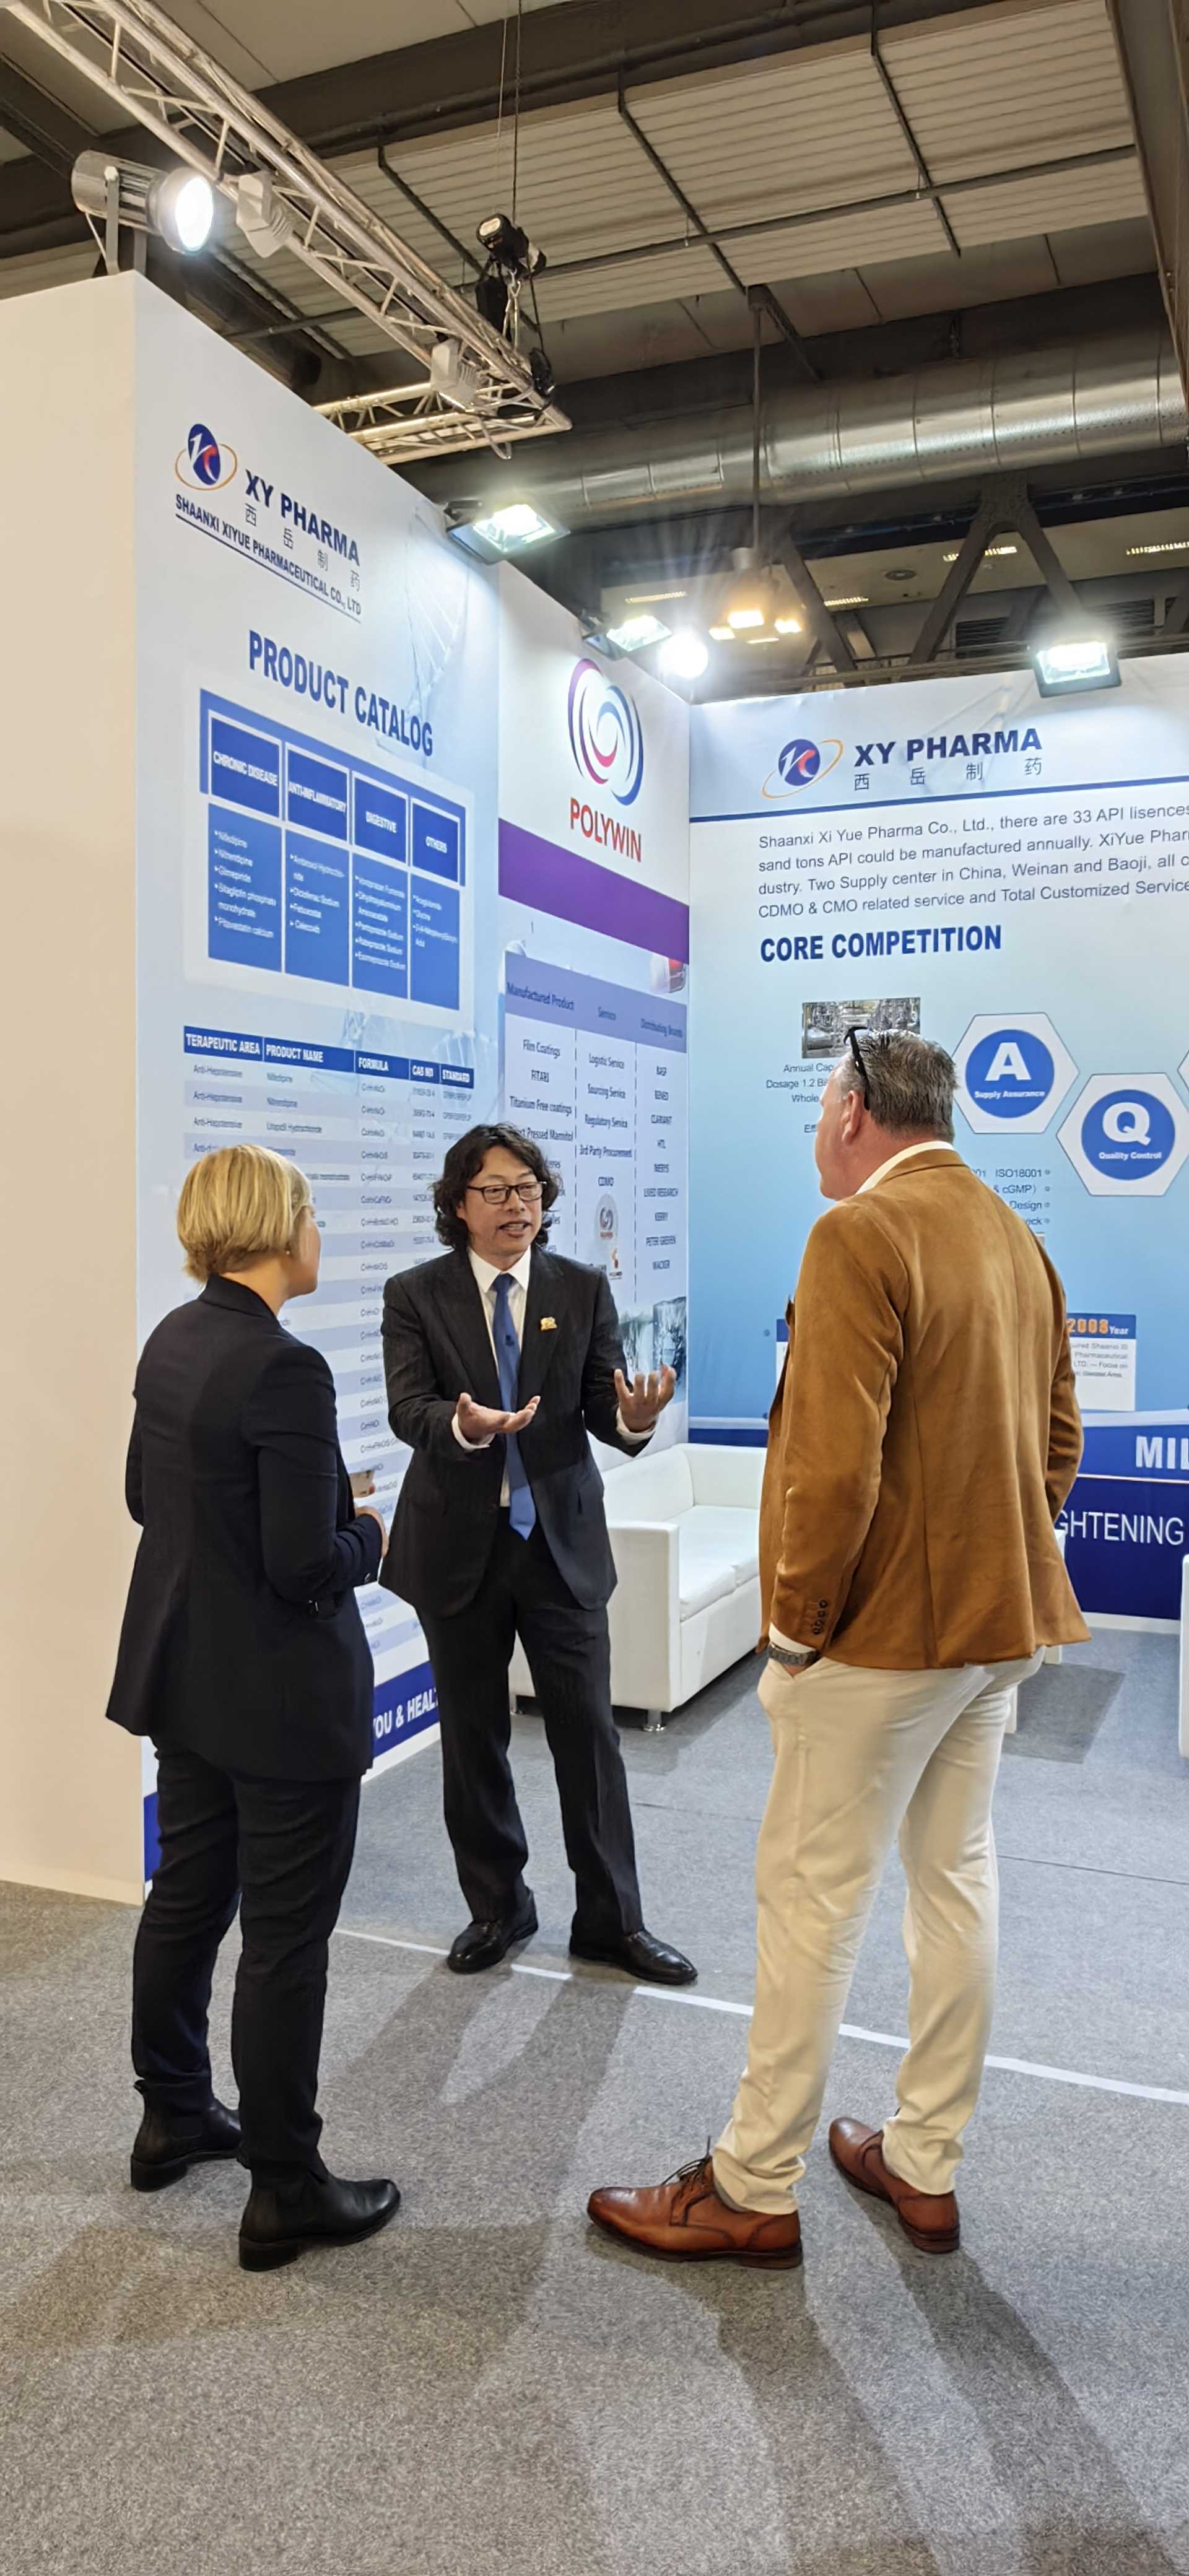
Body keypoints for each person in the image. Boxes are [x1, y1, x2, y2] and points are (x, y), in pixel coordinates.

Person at [588, 1030, 1088, 2269]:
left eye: (823, 1104)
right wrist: (996, 1560)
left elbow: (831, 1467)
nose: (819, 1127)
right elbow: (1059, 1440)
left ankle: (752, 2184)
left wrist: (797, 1633)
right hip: (996, 1633)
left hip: (878, 1644)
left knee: (810, 1902)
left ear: (857, 1110)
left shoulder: (858, 1235)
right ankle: (924, 2162)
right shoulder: (1016, 1238)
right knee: (956, 1881)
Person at [107, 1142, 401, 2273]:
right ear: (280, 1230)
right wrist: (368, 1533)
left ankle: (174, 2114)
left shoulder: (173, 1340)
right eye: (312, 1215)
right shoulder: (286, 1368)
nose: (321, 1233)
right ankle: (285, 2186)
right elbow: (303, 1566)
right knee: (285, 1941)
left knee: (187, 1899)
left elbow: (145, 1498)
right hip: (281, 1702)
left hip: (188, 1681)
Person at [381, 1122, 696, 1986]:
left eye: (529, 1189)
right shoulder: (415, 1294)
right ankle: (498, 1906)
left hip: (558, 1545)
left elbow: (602, 1406)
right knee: (473, 1739)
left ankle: (612, 1922)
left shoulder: (580, 1287)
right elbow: (408, 1408)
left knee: (589, 1739)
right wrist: (463, 1425)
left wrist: (633, 1418)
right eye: (497, 1191)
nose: (517, 1205)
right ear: (459, 1205)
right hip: (460, 1545)